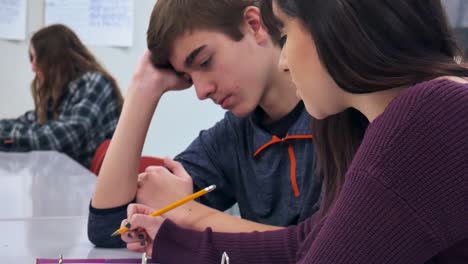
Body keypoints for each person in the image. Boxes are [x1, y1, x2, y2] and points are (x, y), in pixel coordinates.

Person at [118, 0, 468, 263]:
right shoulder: (417, 111)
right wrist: (170, 241)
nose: (283, 60)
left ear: (333, 23)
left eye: (284, 32)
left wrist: (190, 221)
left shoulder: (428, 116)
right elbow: (309, 240)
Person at [88, 0, 322, 248]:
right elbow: (110, 227)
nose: (200, 91)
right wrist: (143, 89)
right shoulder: (234, 133)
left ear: (254, 26)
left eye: (204, 62)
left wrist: (190, 215)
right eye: (188, 77)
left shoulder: (341, 118)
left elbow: (326, 246)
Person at [0, 24, 123, 168]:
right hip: (67, 175)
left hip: (87, 182)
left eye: (35, 58)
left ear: (53, 57)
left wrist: (7, 135)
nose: (33, 67)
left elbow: (61, 138)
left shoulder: (93, 83)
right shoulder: (65, 87)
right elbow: (35, 121)